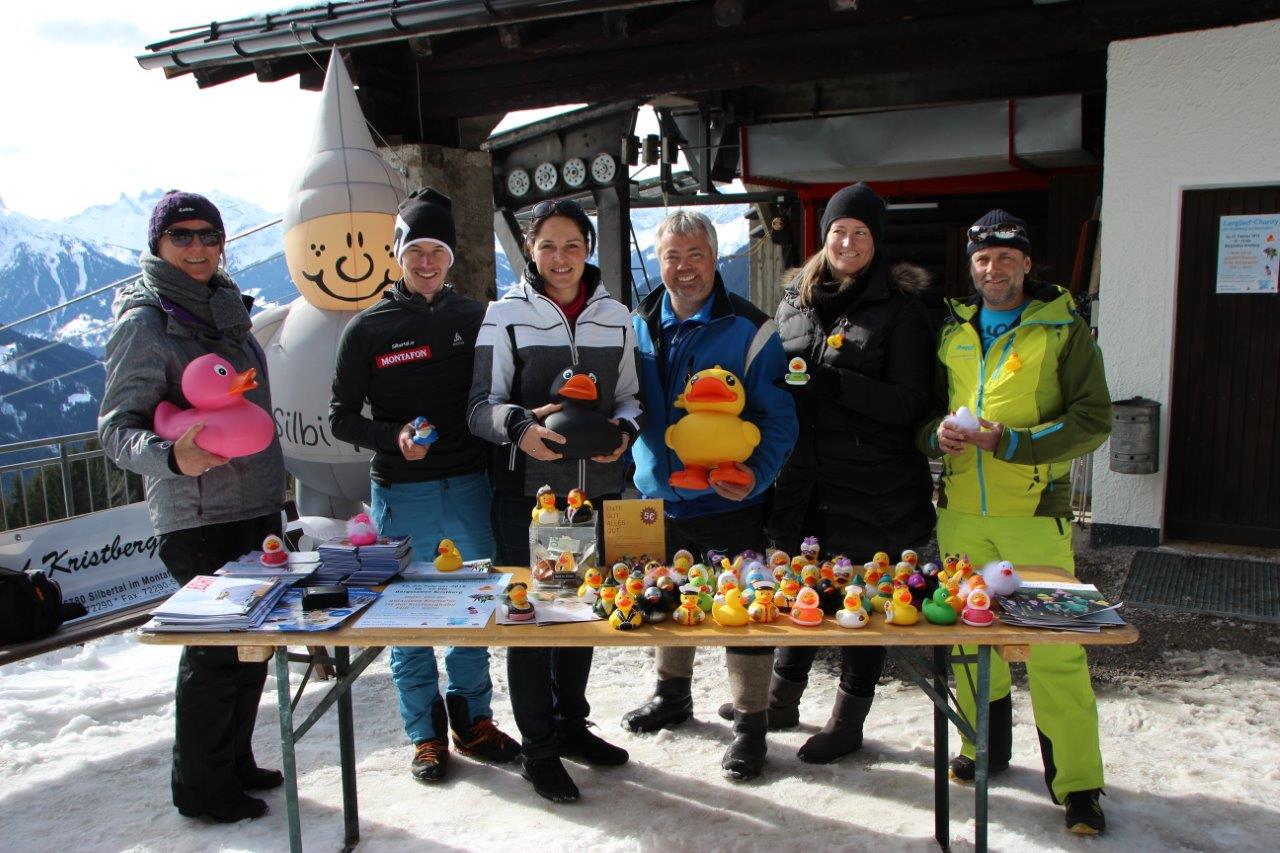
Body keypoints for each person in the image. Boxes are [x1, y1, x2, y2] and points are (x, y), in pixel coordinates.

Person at [919, 209, 1112, 835]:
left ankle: (1078, 785)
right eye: (983, 258)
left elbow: (1093, 420)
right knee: (970, 639)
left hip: (1033, 514)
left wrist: (1013, 443)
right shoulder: (953, 329)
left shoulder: (1062, 329)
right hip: (959, 515)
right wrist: (935, 435)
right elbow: (924, 413)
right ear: (971, 267)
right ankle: (983, 748)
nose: (993, 268)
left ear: (1027, 263)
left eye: (1006, 257)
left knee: (1058, 651)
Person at [99, 191, 287, 822]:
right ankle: (203, 788)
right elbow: (116, 429)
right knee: (213, 651)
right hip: (198, 514)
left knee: (251, 645)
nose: (198, 246)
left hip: (255, 504)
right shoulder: (147, 322)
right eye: (181, 236)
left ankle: (233, 761)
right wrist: (171, 456)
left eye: (209, 235)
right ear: (158, 245)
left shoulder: (226, 309)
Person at [329, 187, 520, 784]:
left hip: (469, 486)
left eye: (438, 250)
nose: (427, 261)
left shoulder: (477, 317)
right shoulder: (367, 329)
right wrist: (392, 438)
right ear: (398, 255)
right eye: (416, 250)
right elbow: (340, 418)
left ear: (451, 257)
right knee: (405, 616)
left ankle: (473, 721)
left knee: (472, 606)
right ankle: (425, 735)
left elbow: (502, 391)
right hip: (402, 492)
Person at [755, 183, 936, 763]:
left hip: (874, 485)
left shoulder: (903, 311)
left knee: (862, 599)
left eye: (861, 232)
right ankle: (780, 700)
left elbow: (912, 403)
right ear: (824, 236)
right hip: (803, 480)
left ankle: (848, 721)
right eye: (839, 231)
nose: (848, 242)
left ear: (876, 240)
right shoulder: (794, 301)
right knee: (800, 586)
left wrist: (834, 382)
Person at [468, 197, 641, 803]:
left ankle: (571, 727)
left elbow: (630, 397)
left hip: (593, 494)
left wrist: (624, 432)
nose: (560, 258)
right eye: (548, 246)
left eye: (572, 245)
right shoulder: (504, 316)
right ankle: (538, 750)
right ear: (530, 249)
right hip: (529, 496)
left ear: (588, 249)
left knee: (580, 613)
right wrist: (520, 429)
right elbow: (479, 407)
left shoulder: (616, 316)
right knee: (532, 621)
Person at [622, 209, 798, 781]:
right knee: (668, 597)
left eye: (695, 255)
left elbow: (779, 418)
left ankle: (751, 723)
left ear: (715, 258)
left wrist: (756, 474)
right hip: (660, 497)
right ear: (659, 262)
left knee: (743, 608)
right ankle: (671, 695)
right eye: (672, 256)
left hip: (731, 502)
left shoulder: (751, 329)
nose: (684, 267)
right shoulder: (636, 325)